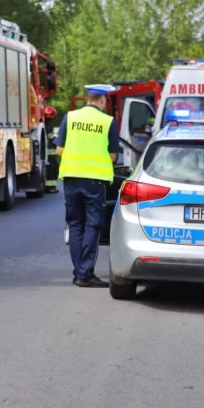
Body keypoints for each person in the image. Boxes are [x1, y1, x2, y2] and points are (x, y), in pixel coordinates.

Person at [54, 84, 122, 288]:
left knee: (75, 224)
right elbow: (113, 155)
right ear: (103, 100)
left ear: (87, 98)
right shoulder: (107, 121)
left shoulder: (70, 117)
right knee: (92, 225)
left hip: (71, 178)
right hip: (94, 180)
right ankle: (84, 274)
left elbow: (59, 150)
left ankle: (80, 271)